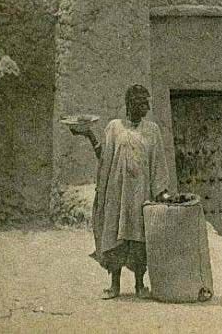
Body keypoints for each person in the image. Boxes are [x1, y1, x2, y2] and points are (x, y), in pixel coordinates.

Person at [72, 84, 171, 299]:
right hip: (117, 193)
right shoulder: (114, 127)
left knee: (139, 238)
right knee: (115, 236)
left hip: (141, 194)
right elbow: (104, 157)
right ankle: (114, 286)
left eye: (147, 103)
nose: (145, 107)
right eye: (140, 103)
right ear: (129, 104)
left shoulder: (152, 130)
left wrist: (161, 191)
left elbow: (158, 164)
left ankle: (139, 285)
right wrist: (89, 134)